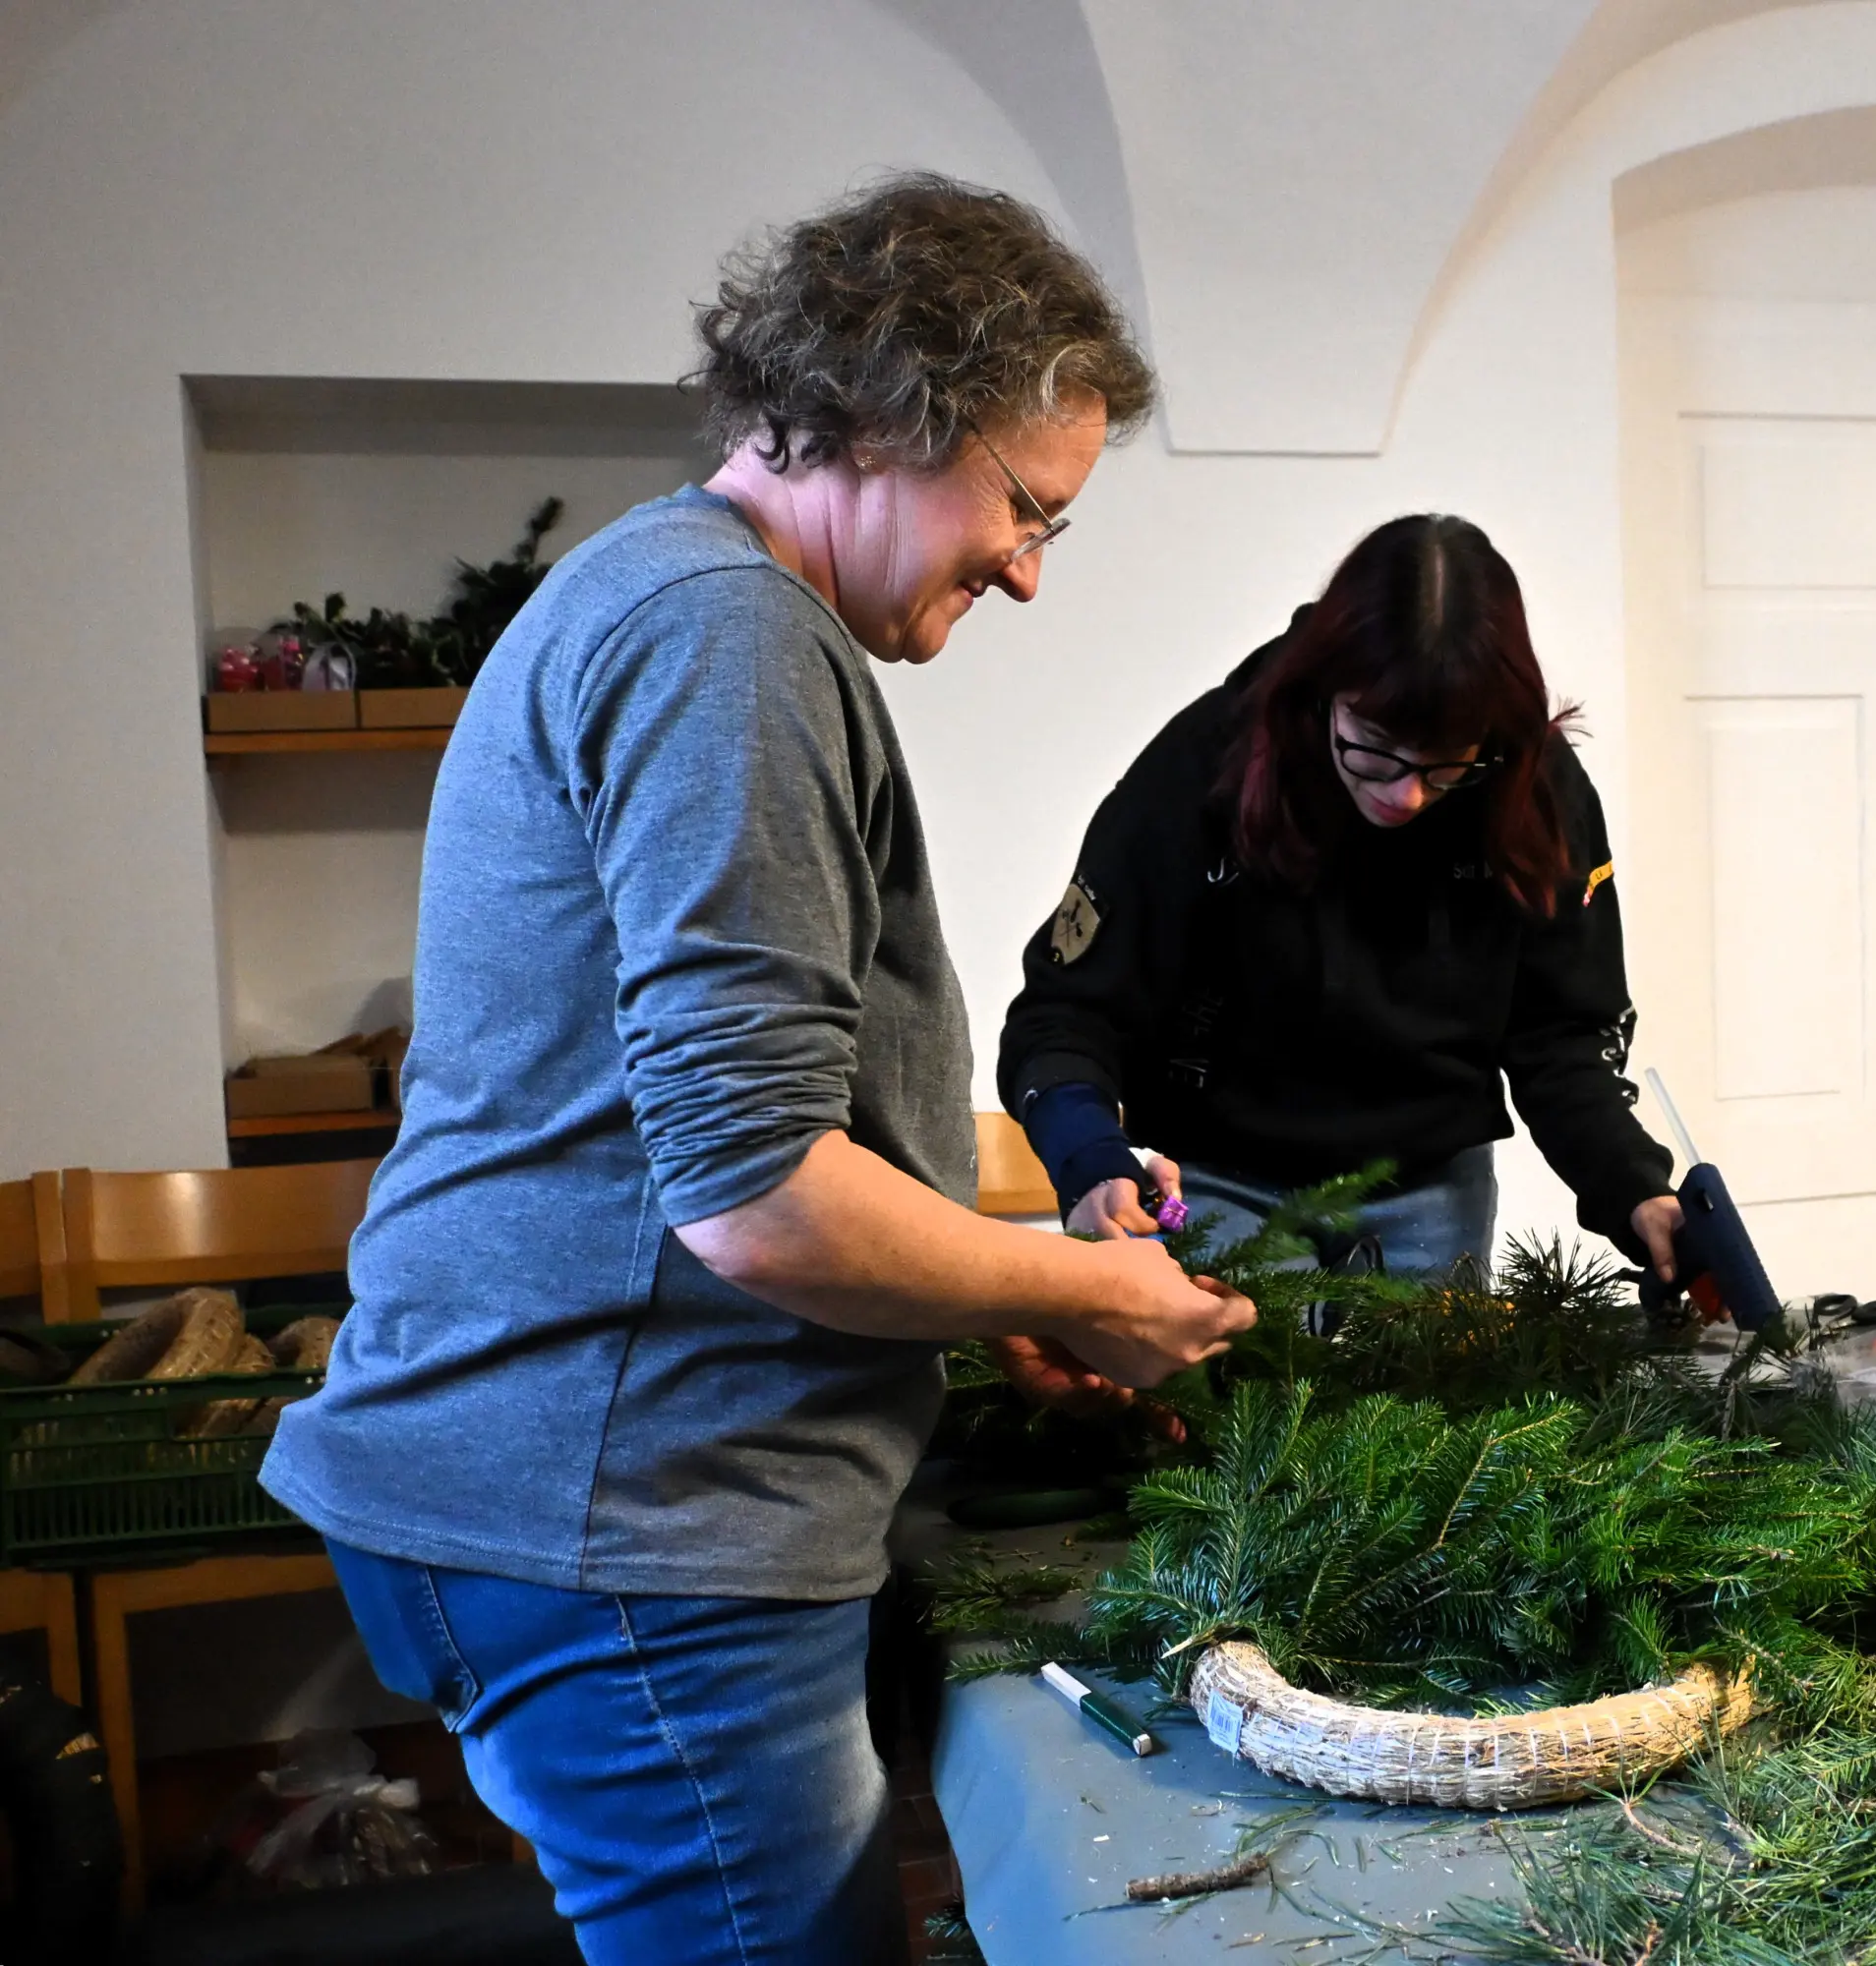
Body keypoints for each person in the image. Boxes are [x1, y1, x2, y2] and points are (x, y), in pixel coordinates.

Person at [262, 177, 1255, 1965]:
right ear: (886, 419)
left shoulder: (665, 598)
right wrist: (1079, 1285)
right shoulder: (730, 641)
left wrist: (972, 1302)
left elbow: (715, 1148)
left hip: (596, 1497)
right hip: (633, 1523)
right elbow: (754, 1197)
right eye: (1023, 507)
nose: (1029, 566)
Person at [998, 513, 1686, 1287]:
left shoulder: (1533, 785)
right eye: (1374, 745)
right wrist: (1091, 1158)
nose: (1407, 796)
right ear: (1325, 685)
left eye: (1446, 765)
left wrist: (1636, 1188)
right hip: (1218, 1182)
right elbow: (1063, 1016)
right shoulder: (1200, 771)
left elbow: (1563, 1038)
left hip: (1432, 1192)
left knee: (1439, 1411)